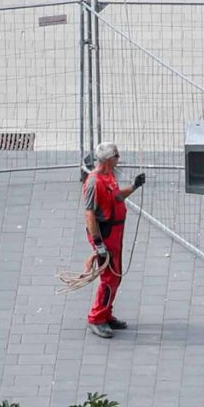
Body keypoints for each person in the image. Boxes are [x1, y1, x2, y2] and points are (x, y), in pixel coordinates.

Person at [83, 144, 144, 339]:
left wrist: (134, 186)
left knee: (115, 277)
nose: (119, 157)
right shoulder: (94, 182)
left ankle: (106, 313)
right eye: (117, 155)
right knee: (109, 279)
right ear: (109, 159)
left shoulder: (109, 175)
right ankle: (97, 318)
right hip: (106, 235)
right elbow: (90, 215)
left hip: (115, 234)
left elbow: (116, 197)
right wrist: (99, 244)